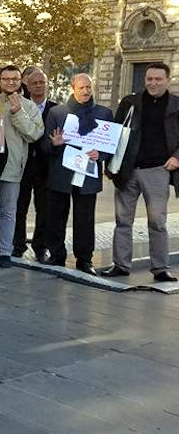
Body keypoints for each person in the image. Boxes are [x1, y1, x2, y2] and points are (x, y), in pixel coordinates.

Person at [103, 62, 179, 282]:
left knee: (158, 222)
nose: (153, 83)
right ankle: (120, 265)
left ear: (168, 80)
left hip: (158, 170)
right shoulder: (130, 102)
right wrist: (109, 163)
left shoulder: (176, 105)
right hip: (128, 170)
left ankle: (160, 268)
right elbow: (114, 134)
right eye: (149, 79)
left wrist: (176, 158)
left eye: (158, 79)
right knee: (123, 220)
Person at [39, 73, 112, 275]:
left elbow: (111, 146)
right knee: (55, 216)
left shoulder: (104, 113)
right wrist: (54, 144)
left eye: (89, 87)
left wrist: (101, 154)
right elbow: (44, 145)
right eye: (81, 87)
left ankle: (85, 260)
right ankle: (56, 254)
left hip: (88, 175)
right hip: (61, 173)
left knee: (85, 219)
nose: (86, 91)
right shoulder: (57, 113)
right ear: (73, 88)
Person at [0, 65, 44, 268]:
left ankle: (5, 251)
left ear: (21, 81)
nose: (10, 82)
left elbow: (34, 134)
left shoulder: (29, 106)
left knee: (9, 211)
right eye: (6, 79)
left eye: (14, 79)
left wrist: (18, 112)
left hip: (12, 165)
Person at [13, 66, 58, 261]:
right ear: (27, 86)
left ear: (47, 85)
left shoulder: (56, 110)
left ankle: (41, 246)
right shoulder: (19, 106)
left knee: (44, 208)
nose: (39, 86)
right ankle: (17, 244)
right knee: (18, 207)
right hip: (22, 166)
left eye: (42, 82)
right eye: (35, 83)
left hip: (46, 167)